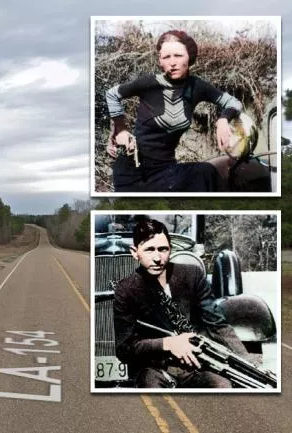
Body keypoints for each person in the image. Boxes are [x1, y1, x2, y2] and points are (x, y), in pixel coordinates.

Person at [113, 217, 250, 388]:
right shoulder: (126, 289)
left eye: (163, 249)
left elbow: (217, 325)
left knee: (223, 386)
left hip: (197, 366)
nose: (157, 257)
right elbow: (124, 348)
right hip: (154, 369)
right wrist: (168, 343)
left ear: (170, 250)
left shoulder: (192, 275)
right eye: (149, 250)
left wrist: (249, 366)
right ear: (135, 252)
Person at [104, 30, 243, 193]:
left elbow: (233, 102)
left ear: (189, 57)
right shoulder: (149, 84)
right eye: (166, 57)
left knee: (206, 172)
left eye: (178, 55)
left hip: (166, 170)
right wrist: (121, 129)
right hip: (133, 175)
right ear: (160, 61)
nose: (172, 62)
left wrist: (223, 119)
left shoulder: (197, 87)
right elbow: (112, 94)